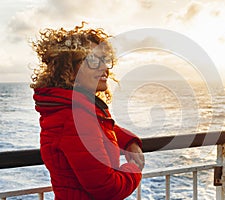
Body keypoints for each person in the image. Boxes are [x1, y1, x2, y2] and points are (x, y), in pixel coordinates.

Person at [30, 22, 145, 200]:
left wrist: (129, 141)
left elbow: (100, 129)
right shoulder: (75, 118)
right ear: (68, 69)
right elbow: (107, 188)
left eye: (105, 60)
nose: (104, 68)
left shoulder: (73, 109)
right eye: (92, 60)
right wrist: (134, 169)